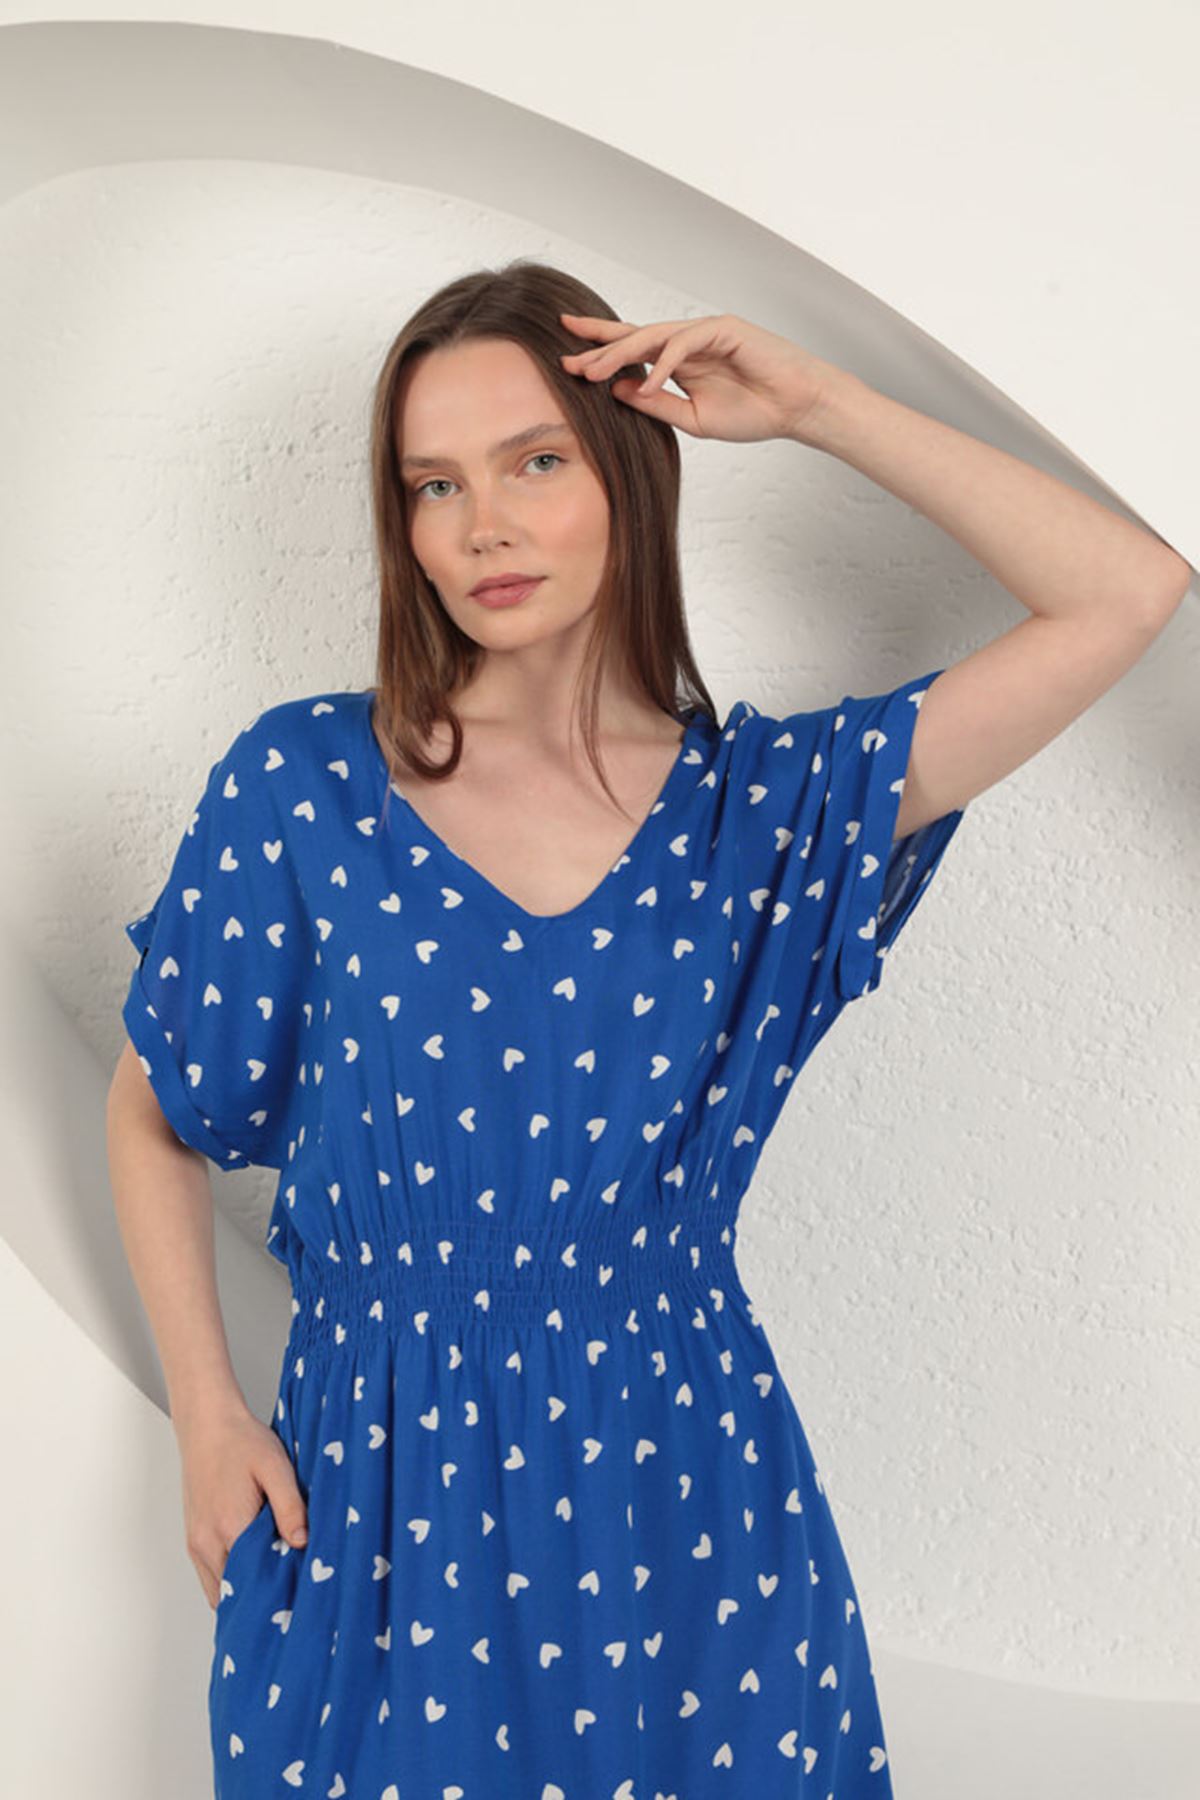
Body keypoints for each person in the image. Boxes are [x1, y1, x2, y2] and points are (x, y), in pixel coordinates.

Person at [106, 259, 1189, 1798]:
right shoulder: (303, 790)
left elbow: (1126, 590)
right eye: (432, 484)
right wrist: (208, 1416)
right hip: (376, 1504)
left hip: (685, 1515)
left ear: (628, 469)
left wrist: (817, 403)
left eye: (536, 461)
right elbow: (157, 1106)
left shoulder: (767, 818)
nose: (481, 525)